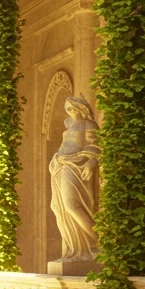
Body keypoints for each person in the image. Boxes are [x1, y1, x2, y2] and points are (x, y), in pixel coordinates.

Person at [49, 96, 99, 260]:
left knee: (72, 205)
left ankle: (99, 243)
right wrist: (57, 159)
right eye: (67, 108)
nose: (70, 111)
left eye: (73, 107)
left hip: (77, 166)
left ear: (81, 108)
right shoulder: (68, 126)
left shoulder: (89, 124)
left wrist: (91, 162)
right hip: (61, 165)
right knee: (58, 207)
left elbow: (95, 145)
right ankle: (74, 248)